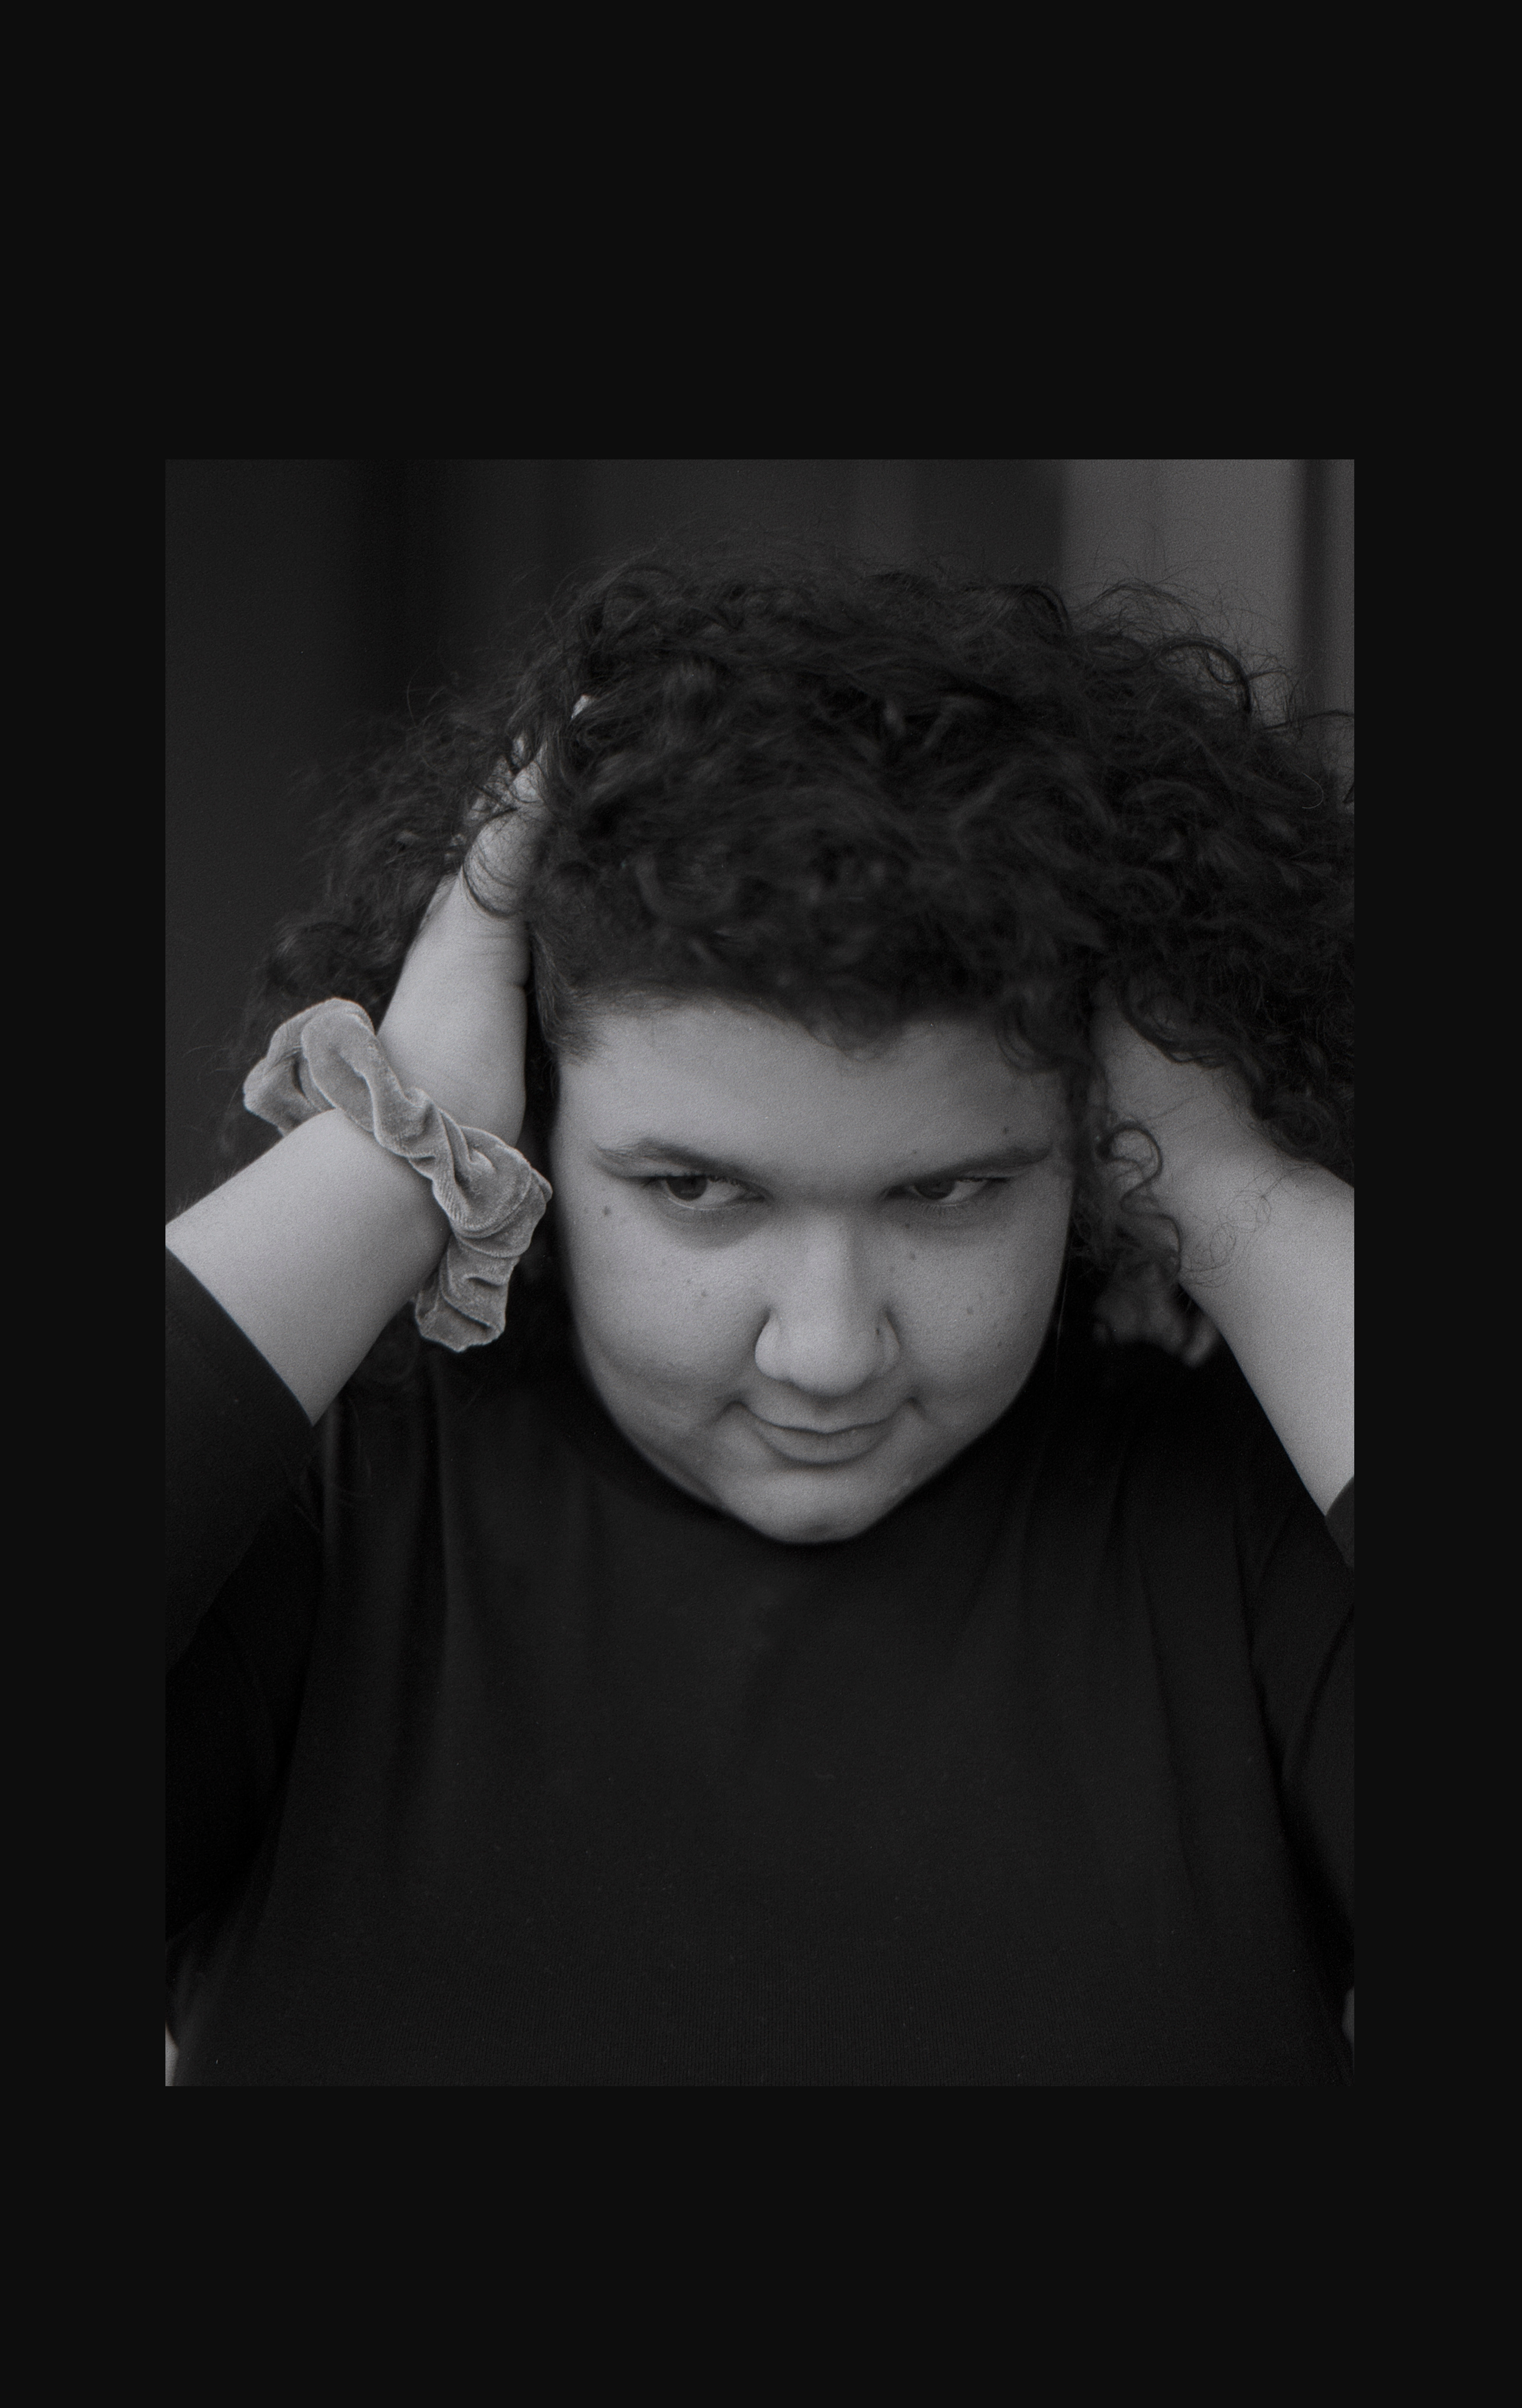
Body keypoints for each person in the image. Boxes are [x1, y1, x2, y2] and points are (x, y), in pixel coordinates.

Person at [165, 550, 1353, 2086]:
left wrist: (1230, 1185)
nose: (829, 1350)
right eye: (697, 1190)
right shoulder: (332, 1516)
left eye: (949, 1192)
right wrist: (404, 1147)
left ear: (1093, 1154)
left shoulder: (1248, 1539)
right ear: (532, 1120)